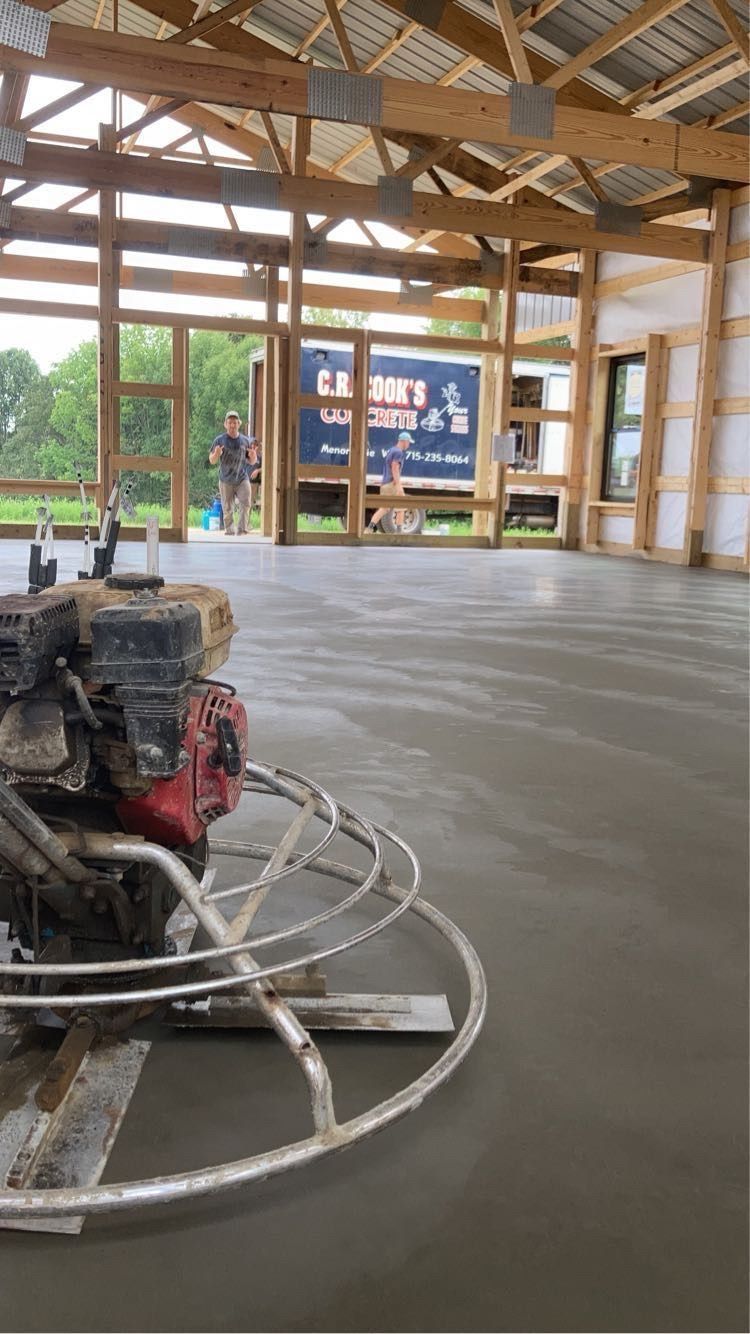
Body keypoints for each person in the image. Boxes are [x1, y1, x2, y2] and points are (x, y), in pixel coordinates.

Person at [208, 411, 253, 535]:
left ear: (239, 424)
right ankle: (229, 531)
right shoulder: (219, 440)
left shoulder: (245, 440)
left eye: (235, 422)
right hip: (225, 479)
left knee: (246, 502)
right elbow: (211, 460)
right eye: (230, 422)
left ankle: (242, 529)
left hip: (242, 478)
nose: (232, 425)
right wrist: (216, 454)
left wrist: (253, 456)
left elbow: (251, 460)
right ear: (225, 424)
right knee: (227, 508)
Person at [366, 430, 414, 533]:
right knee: (401, 507)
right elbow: (395, 468)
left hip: (385, 484)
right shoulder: (398, 452)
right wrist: (398, 485)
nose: (409, 445)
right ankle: (399, 533)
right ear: (404, 441)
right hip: (393, 483)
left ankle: (369, 528)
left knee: (384, 508)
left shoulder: (392, 450)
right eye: (409, 442)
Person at [246, 437, 262, 510]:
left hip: (254, 483)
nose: (253, 446)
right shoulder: (246, 456)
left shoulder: (260, 458)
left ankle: (247, 521)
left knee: (250, 503)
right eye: (252, 444)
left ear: (257, 447)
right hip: (244, 482)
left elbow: (265, 468)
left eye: (255, 445)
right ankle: (244, 521)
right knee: (244, 503)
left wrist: (257, 470)